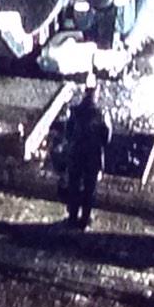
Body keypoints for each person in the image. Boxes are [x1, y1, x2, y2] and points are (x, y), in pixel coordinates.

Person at [63, 77, 112, 229]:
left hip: (76, 154)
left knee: (74, 186)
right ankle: (84, 219)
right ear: (96, 94)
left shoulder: (75, 111)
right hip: (93, 156)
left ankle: (72, 217)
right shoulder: (102, 113)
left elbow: (68, 133)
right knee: (89, 189)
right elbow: (107, 137)